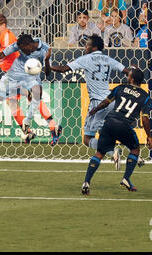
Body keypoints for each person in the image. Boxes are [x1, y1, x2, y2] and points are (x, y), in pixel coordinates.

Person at [48, 34, 137, 170]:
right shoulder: (108, 59)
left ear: (94, 47)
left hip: (98, 103)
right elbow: (127, 72)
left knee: (87, 139)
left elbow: (63, 69)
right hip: (111, 101)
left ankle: (113, 153)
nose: (85, 47)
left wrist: (48, 64)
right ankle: (135, 154)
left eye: (87, 45)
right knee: (110, 132)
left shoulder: (86, 59)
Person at [0, 14, 59, 144]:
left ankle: (49, 127)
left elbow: (4, 59)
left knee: (22, 98)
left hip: (19, 71)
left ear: (4, 26)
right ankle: (31, 131)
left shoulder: (8, 39)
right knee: (13, 101)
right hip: (11, 73)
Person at [80, 68, 152, 195]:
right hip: (125, 125)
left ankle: (86, 182)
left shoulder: (120, 88)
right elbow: (145, 118)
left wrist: (95, 109)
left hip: (109, 122)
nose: (127, 77)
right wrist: (149, 136)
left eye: (128, 75)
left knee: (100, 153)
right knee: (135, 150)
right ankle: (126, 178)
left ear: (132, 79)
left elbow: (105, 102)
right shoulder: (146, 97)